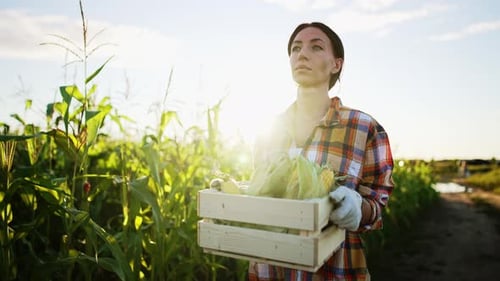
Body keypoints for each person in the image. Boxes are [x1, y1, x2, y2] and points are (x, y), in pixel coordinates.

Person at [248, 22, 395, 281]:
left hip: (335, 271)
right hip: (268, 272)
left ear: (336, 64)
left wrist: (358, 208)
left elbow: (377, 204)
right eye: (296, 48)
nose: (302, 54)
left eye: (316, 47)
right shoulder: (267, 131)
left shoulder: (364, 128)